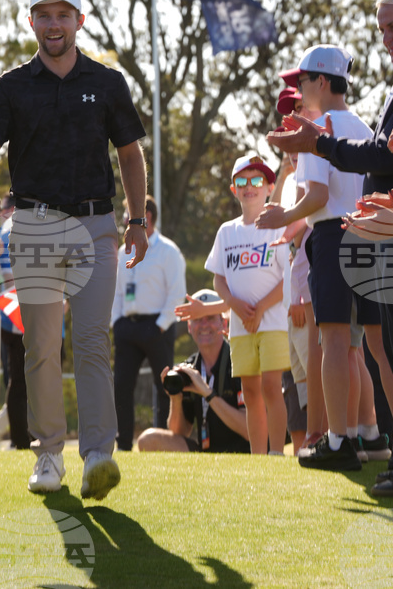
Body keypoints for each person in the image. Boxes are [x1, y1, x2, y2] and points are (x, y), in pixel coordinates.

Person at [268, 0, 393, 497]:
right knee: (389, 349)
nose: (388, 38)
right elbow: (382, 150)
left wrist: (317, 143)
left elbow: (383, 157)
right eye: (382, 30)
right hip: (391, 236)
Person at [0, 0, 148, 500]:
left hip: (97, 225)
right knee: (43, 345)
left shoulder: (109, 82)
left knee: (94, 342)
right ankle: (48, 453)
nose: (54, 24)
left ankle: (98, 455)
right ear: (31, 22)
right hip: (34, 225)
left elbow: (130, 155)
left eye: (62, 14)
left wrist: (136, 221)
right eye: (44, 14)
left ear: (79, 22)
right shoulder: (10, 85)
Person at [258, 45, 393, 471]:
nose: (299, 90)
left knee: (334, 340)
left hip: (333, 236)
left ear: (321, 81)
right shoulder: (363, 123)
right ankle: (392, 436)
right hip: (371, 235)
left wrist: (282, 215)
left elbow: (317, 196)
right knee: (377, 343)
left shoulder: (314, 128)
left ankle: (339, 440)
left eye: (302, 81)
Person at [203, 153, 289, 455]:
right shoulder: (227, 232)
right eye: (242, 180)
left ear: (269, 187)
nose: (249, 186)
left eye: (256, 180)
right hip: (240, 326)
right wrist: (235, 306)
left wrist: (261, 308)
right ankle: (258, 457)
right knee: (249, 391)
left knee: (270, 388)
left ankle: (277, 454)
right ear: (233, 189)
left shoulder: (278, 226)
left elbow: (286, 278)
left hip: (274, 323)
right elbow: (219, 280)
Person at [110, 195, 186, 451]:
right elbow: (118, 292)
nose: (123, 222)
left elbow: (176, 293)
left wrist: (160, 326)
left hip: (158, 328)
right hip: (127, 328)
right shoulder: (123, 252)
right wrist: (116, 324)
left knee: (164, 386)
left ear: (146, 217)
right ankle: (122, 444)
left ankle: (162, 441)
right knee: (121, 385)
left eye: (126, 215)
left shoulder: (168, 251)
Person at [137, 289, 249, 454]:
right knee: (148, 440)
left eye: (210, 318)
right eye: (197, 319)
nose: (204, 325)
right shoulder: (189, 368)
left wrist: (208, 393)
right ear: (189, 326)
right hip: (206, 456)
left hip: (244, 455)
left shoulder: (240, 360)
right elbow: (179, 433)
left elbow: (249, 430)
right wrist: (175, 398)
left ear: (224, 324)